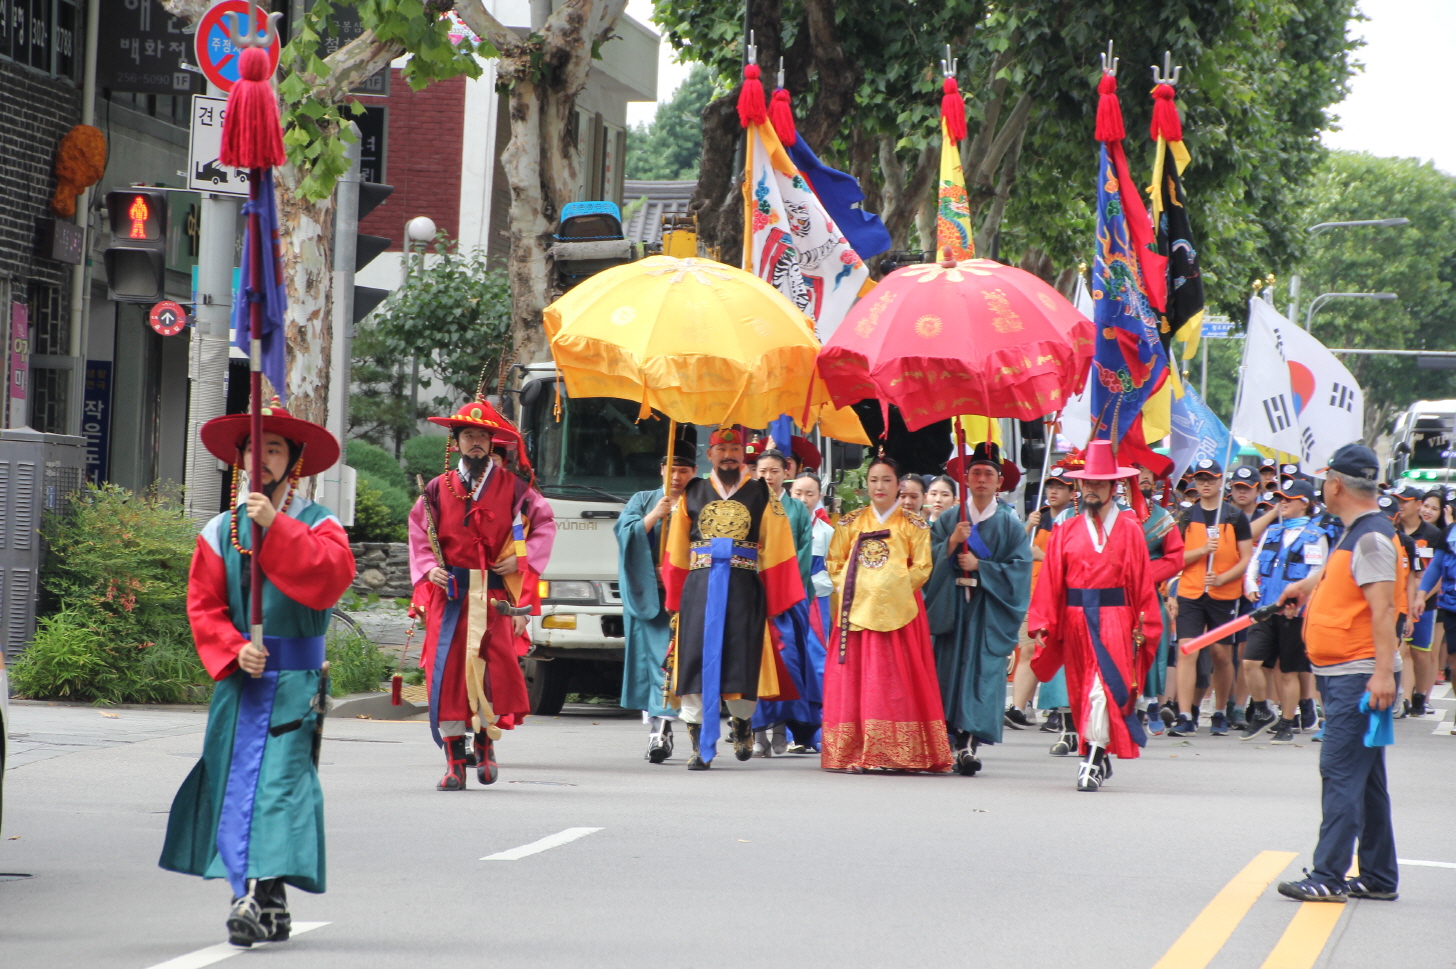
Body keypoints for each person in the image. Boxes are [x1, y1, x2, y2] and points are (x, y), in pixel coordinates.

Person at [160, 405, 356, 947]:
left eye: (274, 449)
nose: (261, 458)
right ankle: (261, 897)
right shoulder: (219, 530)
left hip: (296, 683)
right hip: (241, 681)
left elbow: (328, 579)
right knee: (234, 786)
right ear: (240, 457)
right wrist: (233, 647)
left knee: (277, 789)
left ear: (293, 463)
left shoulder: (320, 524)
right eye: (253, 448)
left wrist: (277, 526)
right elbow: (203, 605)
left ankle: (254, 894)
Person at [1276, 444, 1401, 903]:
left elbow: (1383, 609)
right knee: (1365, 780)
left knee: (1341, 772)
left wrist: (1383, 674)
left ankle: (1328, 874)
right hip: (1348, 670)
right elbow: (1342, 581)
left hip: (1360, 673)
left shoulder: (1370, 537)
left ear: (1335, 485)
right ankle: (1379, 876)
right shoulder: (1355, 534)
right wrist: (1306, 589)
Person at [408, 399, 555, 791]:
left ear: (492, 443)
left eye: (482, 437)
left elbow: (541, 526)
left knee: (492, 673)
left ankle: (486, 747)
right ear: (456, 442)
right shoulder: (437, 490)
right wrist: (428, 569)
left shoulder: (515, 488)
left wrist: (519, 559)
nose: (476, 443)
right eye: (468, 435)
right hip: (450, 595)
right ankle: (455, 762)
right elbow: (420, 536)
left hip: (493, 597)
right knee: (448, 675)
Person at [661, 427, 803, 769]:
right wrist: (675, 595)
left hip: (743, 587)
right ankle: (699, 747)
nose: (728, 454)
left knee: (742, 658)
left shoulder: (761, 493)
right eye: (721, 448)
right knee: (693, 660)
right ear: (709, 456)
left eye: (735, 448)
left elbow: (778, 543)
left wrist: (774, 593)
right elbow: (678, 548)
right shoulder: (692, 492)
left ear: (744, 454)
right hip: (699, 588)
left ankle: (742, 722)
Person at [1028, 441, 1162, 791]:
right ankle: (1097, 753)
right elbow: (1051, 579)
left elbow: (1142, 584)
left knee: (1104, 688)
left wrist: (1144, 624)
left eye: (1099, 484)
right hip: (1074, 619)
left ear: (1113, 488)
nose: (1091, 489)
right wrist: (1042, 621)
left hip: (1116, 617)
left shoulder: (1131, 529)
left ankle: (1091, 760)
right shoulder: (1066, 529)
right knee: (1081, 689)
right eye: (1087, 483)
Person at [822, 454, 952, 773]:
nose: (880, 486)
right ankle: (856, 750)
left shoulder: (914, 524)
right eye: (874, 480)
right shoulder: (849, 522)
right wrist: (860, 586)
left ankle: (900, 751)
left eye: (887, 480)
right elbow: (834, 563)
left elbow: (923, 566)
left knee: (897, 681)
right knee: (857, 678)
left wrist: (890, 587)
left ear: (899, 486)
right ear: (866, 486)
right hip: (856, 609)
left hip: (901, 611)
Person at [925, 444, 1033, 775]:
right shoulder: (949, 518)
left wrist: (981, 567)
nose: (982, 479)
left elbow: (1019, 570)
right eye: (975, 473)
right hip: (953, 607)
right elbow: (926, 561)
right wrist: (952, 543)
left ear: (999, 482)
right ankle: (949, 741)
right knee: (947, 674)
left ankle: (969, 744)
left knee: (982, 675)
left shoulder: (1009, 523)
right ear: (965, 479)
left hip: (986, 610)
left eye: (989, 474)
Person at [616, 449, 698, 763]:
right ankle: (659, 728)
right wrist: (654, 517)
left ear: (694, 471)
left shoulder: (702, 498)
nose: (676, 478)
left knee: (676, 662)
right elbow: (624, 535)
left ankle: (667, 726)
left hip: (688, 592)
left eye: (684, 471)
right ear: (661, 468)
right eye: (671, 470)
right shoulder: (643, 499)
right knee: (653, 664)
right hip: (649, 592)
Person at [1238, 478, 1327, 743]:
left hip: (1293, 614)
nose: (1282, 503)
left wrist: (1299, 599)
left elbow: (1316, 575)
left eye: (1288, 499)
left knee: (1288, 671)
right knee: (1250, 662)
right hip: (1264, 609)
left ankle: (1287, 722)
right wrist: (1251, 584)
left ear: (1304, 503)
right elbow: (1254, 563)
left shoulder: (1316, 536)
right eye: (1280, 499)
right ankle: (1263, 710)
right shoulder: (1272, 532)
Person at [1170, 458, 1254, 736]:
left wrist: (1221, 578)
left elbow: (1246, 559)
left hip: (1224, 593)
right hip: (1190, 592)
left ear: (1221, 481)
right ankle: (1185, 714)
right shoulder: (1185, 517)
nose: (1205, 484)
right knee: (1187, 649)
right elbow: (1176, 558)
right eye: (1201, 479)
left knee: (1221, 654)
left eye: (1211, 479)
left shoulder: (1233, 516)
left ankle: (1220, 710)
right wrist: (1202, 551)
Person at [748, 446, 822, 757]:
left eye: (774, 471)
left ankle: (780, 727)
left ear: (786, 473)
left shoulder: (797, 511)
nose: (768, 476)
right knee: (752, 664)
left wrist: (784, 590)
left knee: (786, 662)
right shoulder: (745, 505)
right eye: (762, 471)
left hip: (788, 600)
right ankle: (756, 733)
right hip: (752, 597)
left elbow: (802, 556)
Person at [1134, 465, 1186, 736]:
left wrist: (1145, 575)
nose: (1145, 477)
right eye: (1137, 471)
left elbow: (1175, 557)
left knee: (1152, 649)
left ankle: (1152, 704)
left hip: (1148, 593)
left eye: (1148, 473)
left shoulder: (1162, 516)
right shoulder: (1114, 512)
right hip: (1113, 594)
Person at [788, 471, 836, 753]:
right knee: (790, 662)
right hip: (786, 600)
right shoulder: (778, 525)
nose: (804, 499)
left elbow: (836, 571)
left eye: (810, 494)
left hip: (816, 603)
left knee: (817, 663)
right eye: (798, 493)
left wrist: (813, 583)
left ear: (819, 496)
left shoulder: (828, 532)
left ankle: (820, 729)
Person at [1392, 484, 1441, 717]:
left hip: (1426, 603)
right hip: (1399, 601)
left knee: (1421, 652)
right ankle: (1405, 699)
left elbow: (1439, 572)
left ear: (1418, 505)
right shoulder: (1391, 530)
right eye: (1398, 500)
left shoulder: (1432, 535)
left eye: (1406, 500)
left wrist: (1420, 598)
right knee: (1403, 650)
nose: (1401, 505)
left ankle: (1421, 695)